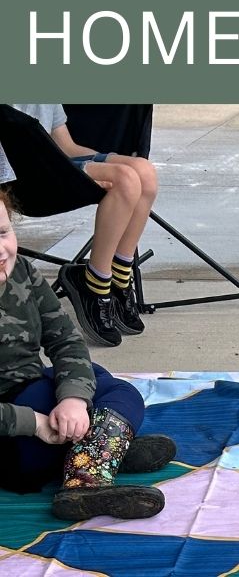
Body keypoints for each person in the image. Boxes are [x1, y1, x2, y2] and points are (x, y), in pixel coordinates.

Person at [0, 188, 175, 520]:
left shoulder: (21, 271)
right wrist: (32, 423)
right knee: (109, 393)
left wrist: (74, 399)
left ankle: (96, 451)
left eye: (3, 232)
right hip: (11, 443)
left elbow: (66, 341)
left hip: (30, 393)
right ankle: (87, 477)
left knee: (97, 380)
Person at [0, 103, 159, 348]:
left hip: (56, 167)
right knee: (125, 180)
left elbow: (66, 147)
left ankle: (118, 276)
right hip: (24, 183)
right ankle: (95, 284)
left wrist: (112, 163)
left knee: (143, 173)